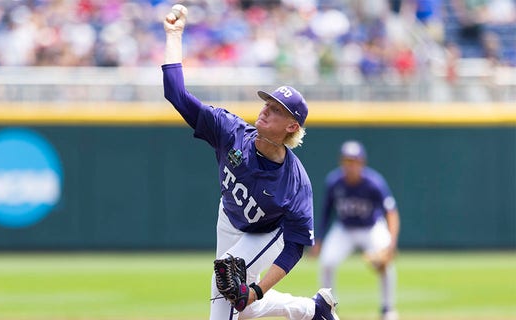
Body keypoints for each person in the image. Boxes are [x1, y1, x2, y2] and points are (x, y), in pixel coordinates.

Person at [162, 5, 339, 320]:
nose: (266, 109)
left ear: (291, 127)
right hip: (229, 218)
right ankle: (313, 310)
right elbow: (176, 93)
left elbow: (295, 248)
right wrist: (174, 35)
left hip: (268, 232)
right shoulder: (230, 130)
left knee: (227, 301)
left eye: (277, 109)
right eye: (268, 102)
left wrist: (257, 289)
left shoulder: (295, 185)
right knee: (242, 306)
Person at [310, 140, 401, 320]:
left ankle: (387, 309)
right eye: (347, 161)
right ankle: (328, 308)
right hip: (344, 229)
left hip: (371, 228)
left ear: (362, 163)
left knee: (385, 265)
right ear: (341, 162)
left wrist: (391, 244)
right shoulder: (334, 181)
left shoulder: (374, 183)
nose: (350, 165)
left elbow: (391, 212)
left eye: (354, 161)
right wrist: (318, 239)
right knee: (327, 262)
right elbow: (326, 213)